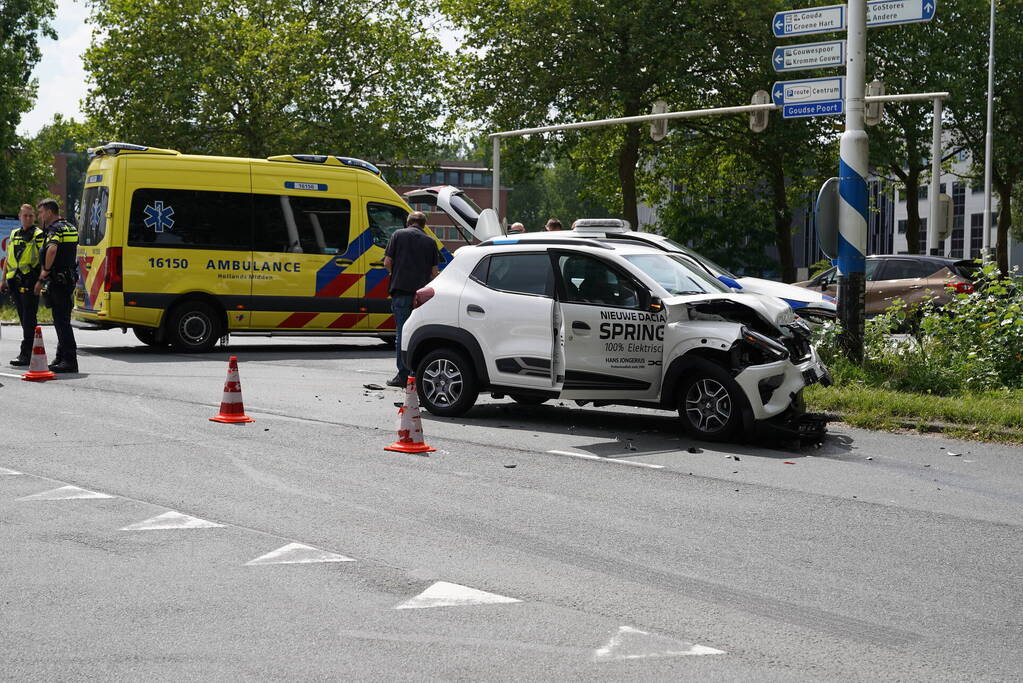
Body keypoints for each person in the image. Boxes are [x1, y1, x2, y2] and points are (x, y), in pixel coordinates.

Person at [383, 211, 439, 387]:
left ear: (408, 223)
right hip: (421, 297)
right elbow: (434, 273)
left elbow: (387, 262)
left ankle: (403, 375)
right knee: (418, 334)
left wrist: (396, 274)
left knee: (402, 333)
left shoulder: (398, 235)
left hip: (401, 292)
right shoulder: (430, 241)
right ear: (423, 225)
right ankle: (415, 373)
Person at [33, 198, 79, 373]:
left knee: (61, 322)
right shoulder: (70, 227)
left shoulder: (55, 229)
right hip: (68, 279)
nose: (40, 215)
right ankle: (61, 357)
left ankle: (69, 360)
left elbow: (52, 250)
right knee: (62, 320)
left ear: (50, 212)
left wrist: (44, 272)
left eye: (42, 212)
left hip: (58, 280)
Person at [1, 204, 44, 365]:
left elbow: (45, 259)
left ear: (34, 217)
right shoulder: (14, 234)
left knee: (28, 318)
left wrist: (41, 280)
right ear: (19, 217)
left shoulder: (38, 235)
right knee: (23, 317)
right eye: (25, 215)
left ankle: (26, 354)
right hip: (14, 281)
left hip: (30, 281)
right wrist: (3, 279)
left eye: (31, 216)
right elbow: (7, 258)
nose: (28, 218)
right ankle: (29, 352)